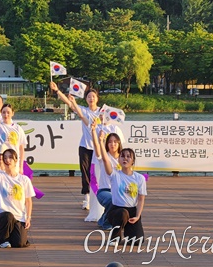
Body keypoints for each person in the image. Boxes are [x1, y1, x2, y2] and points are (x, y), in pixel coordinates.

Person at [92, 122, 146, 246]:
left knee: (137, 241)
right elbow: (104, 159)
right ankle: (113, 235)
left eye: (128, 157)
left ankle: (127, 229)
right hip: (115, 206)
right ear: (119, 160)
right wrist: (100, 140)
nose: (125, 158)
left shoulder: (139, 178)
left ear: (133, 161)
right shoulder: (114, 174)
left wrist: (137, 216)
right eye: (123, 157)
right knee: (121, 212)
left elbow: (141, 199)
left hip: (132, 210)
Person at [50, 81, 101, 210]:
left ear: (97, 98)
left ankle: (99, 198)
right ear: (86, 99)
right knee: (85, 172)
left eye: (93, 97)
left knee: (97, 173)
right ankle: (87, 198)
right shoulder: (83, 110)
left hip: (98, 148)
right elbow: (69, 103)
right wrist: (57, 91)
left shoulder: (102, 112)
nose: (91, 99)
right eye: (89, 97)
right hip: (85, 146)